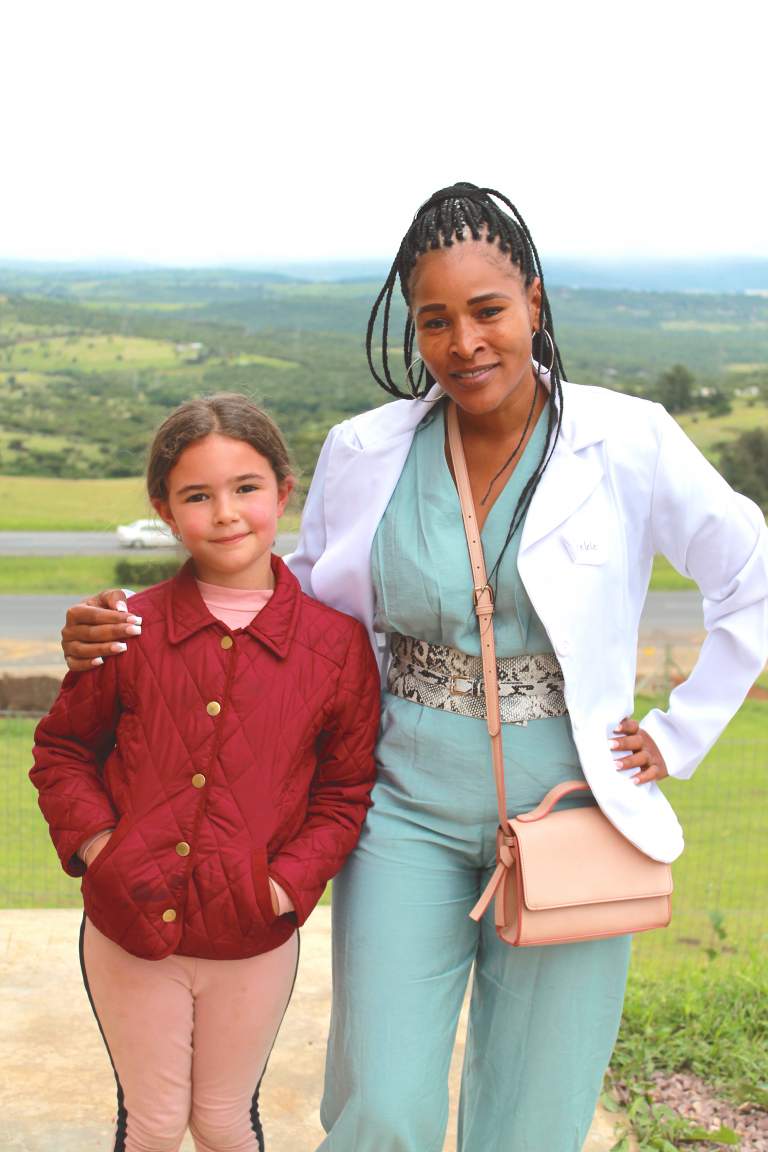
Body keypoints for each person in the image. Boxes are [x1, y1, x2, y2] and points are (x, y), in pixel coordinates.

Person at [61, 184, 768, 1152]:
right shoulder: (366, 450)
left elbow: (751, 576)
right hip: (402, 805)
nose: (464, 342)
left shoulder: (629, 440)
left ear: (535, 302)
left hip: (573, 804)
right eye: (435, 320)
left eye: (488, 311)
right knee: (383, 1103)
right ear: (413, 329)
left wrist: (680, 733)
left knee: (535, 1112)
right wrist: (127, 626)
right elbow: (292, 607)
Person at [32, 393, 380, 1152]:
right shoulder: (127, 629)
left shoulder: (337, 647)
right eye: (197, 495)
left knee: (223, 1121)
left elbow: (343, 792)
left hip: (253, 935)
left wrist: (282, 887)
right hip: (128, 925)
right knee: (154, 1125)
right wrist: (102, 850)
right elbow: (62, 752)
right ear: (165, 511)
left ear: (283, 492)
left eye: (246, 488)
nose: (225, 514)